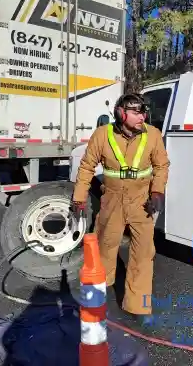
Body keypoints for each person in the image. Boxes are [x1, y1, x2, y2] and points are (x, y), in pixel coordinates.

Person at [71, 93, 170, 325]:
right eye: (136, 112)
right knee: (105, 249)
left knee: (144, 254)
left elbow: (161, 166)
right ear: (121, 113)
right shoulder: (102, 135)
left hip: (141, 202)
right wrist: (79, 199)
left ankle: (140, 306)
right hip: (112, 201)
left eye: (143, 112)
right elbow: (86, 167)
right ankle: (99, 298)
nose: (141, 117)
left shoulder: (153, 135)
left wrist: (157, 193)